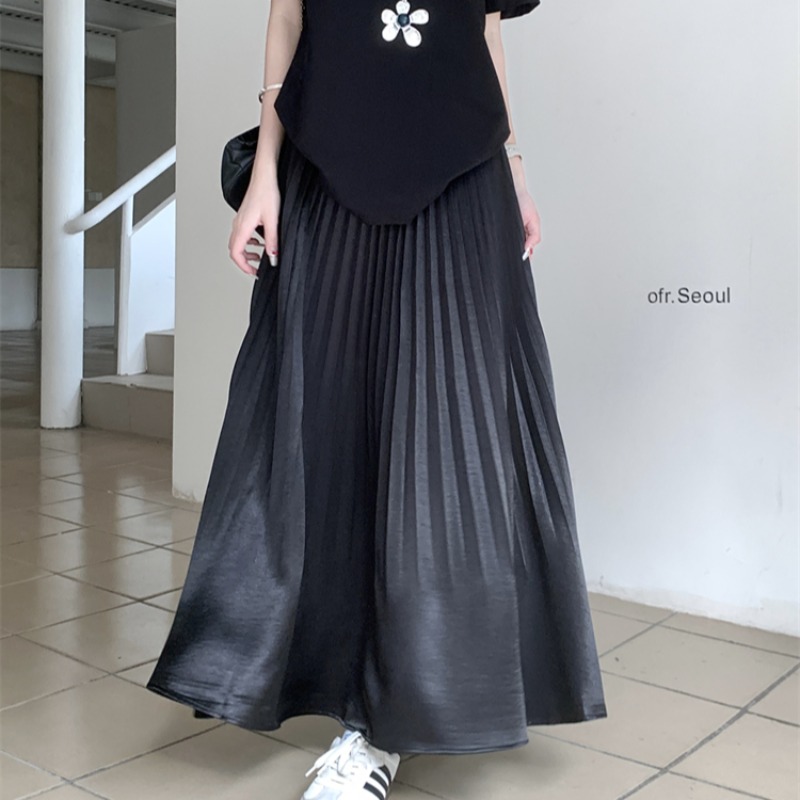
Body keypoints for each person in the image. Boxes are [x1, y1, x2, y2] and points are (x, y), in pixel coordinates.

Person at [147, 1, 608, 798]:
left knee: (444, 437)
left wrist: (516, 169)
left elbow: (483, 29)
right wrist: (265, 172)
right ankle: (348, 695)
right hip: (328, 167)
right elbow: (288, 15)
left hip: (462, 175)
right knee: (325, 423)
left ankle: (390, 715)